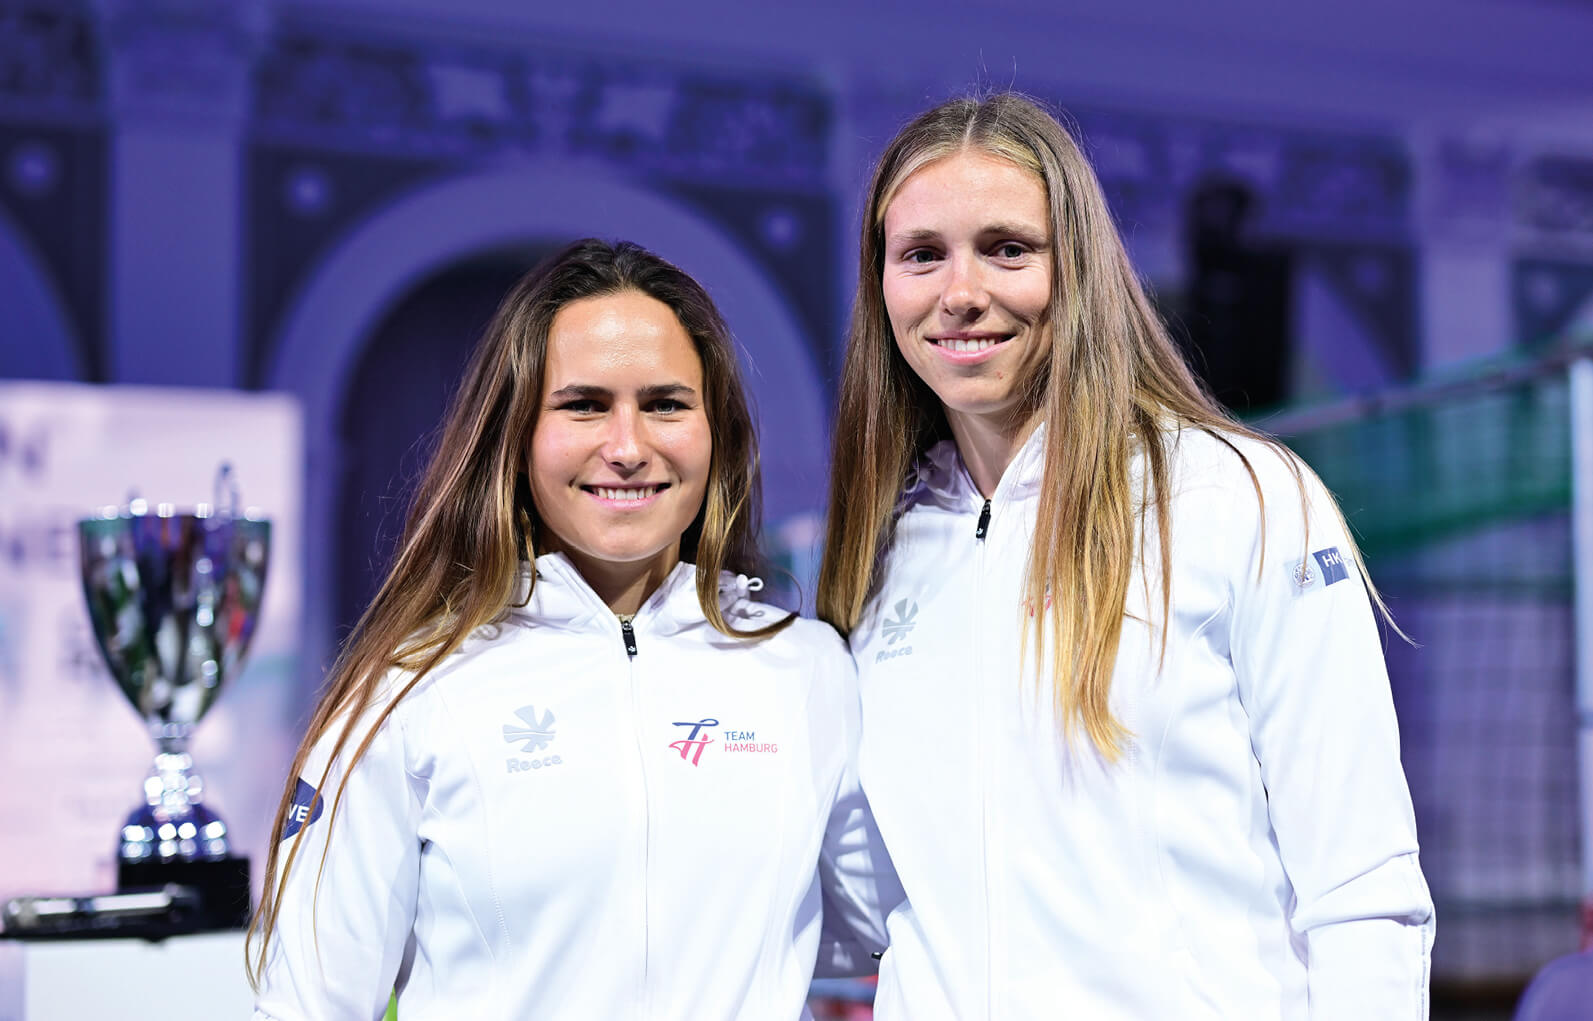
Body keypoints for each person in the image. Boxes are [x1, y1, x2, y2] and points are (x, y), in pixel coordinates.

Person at [817, 94, 1434, 1019]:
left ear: (1080, 269)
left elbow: (1361, 882)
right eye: (921, 255)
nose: (961, 291)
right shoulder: (879, 547)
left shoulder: (1238, 496)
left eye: (1007, 248)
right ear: (882, 287)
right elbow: (872, 893)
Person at [249, 239, 880, 1020]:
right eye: (583, 404)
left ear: (715, 432)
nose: (626, 447)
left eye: (665, 403)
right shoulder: (409, 689)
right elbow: (307, 1003)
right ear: (516, 435)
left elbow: (887, 933)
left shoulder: (806, 668)